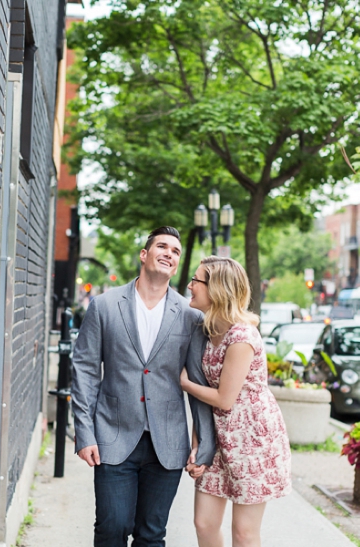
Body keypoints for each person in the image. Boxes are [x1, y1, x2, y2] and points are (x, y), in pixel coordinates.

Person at [71, 226, 217, 547]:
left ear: (177, 264)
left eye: (175, 251)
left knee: (151, 535)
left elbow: (197, 381)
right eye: (162, 246)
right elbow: (84, 370)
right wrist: (84, 432)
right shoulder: (105, 306)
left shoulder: (189, 316)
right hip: (113, 435)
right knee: (112, 527)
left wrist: (204, 444)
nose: (168, 253)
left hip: (167, 444)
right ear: (144, 254)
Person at [180, 256, 292, 547]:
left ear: (216, 288)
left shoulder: (242, 336)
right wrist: (197, 444)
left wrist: (183, 383)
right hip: (218, 439)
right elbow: (206, 402)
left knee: (243, 533)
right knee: (204, 523)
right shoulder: (205, 332)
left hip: (252, 441)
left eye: (196, 280)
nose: (190, 285)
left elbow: (224, 399)